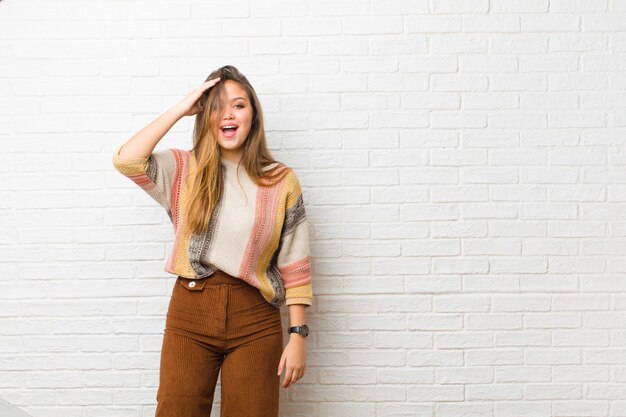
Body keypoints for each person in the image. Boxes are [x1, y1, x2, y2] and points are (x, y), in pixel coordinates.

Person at [111, 65, 313, 417]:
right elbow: (126, 160)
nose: (227, 115)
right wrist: (181, 107)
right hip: (191, 313)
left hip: (256, 320)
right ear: (204, 116)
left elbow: (294, 264)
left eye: (238, 105)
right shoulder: (184, 169)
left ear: (253, 115)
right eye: (216, 106)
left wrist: (298, 335)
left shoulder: (281, 180)